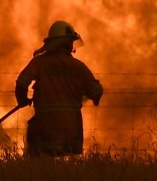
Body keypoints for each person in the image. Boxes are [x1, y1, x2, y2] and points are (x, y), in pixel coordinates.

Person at [14, 20, 104, 157]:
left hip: (45, 129)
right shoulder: (78, 67)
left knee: (40, 170)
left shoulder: (40, 62)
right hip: (71, 131)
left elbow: (22, 82)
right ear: (67, 43)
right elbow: (96, 91)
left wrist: (22, 99)